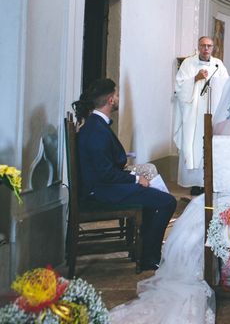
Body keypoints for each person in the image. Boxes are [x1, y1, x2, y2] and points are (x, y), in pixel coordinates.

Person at [110, 67, 230, 322]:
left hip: (221, 202)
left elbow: (211, 170)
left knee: (196, 224)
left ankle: (221, 268)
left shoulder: (219, 126)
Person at [72, 79, 177, 271]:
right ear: (111, 100)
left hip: (105, 186)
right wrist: (136, 179)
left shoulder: (96, 124)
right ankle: (150, 256)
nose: (119, 98)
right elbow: (104, 173)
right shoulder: (96, 129)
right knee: (168, 202)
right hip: (102, 191)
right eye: (118, 95)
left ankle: (145, 250)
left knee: (155, 196)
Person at [174, 36, 229, 195]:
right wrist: (196, 78)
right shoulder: (188, 63)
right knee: (194, 145)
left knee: (211, 145)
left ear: (213, 48)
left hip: (213, 112)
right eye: (203, 45)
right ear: (198, 46)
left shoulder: (219, 65)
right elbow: (179, 86)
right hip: (194, 113)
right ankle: (196, 183)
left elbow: (226, 87)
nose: (206, 49)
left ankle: (210, 182)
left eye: (209, 46)